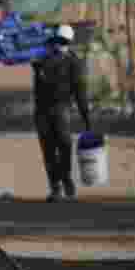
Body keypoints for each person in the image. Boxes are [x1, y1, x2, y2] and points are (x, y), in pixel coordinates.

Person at [31, 24, 93, 202]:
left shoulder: (69, 62)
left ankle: (63, 181)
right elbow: (79, 92)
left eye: (63, 42)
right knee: (51, 150)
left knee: (63, 147)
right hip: (47, 111)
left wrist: (86, 117)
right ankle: (57, 186)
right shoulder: (44, 61)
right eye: (58, 42)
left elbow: (80, 91)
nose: (60, 45)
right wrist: (86, 117)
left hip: (59, 110)